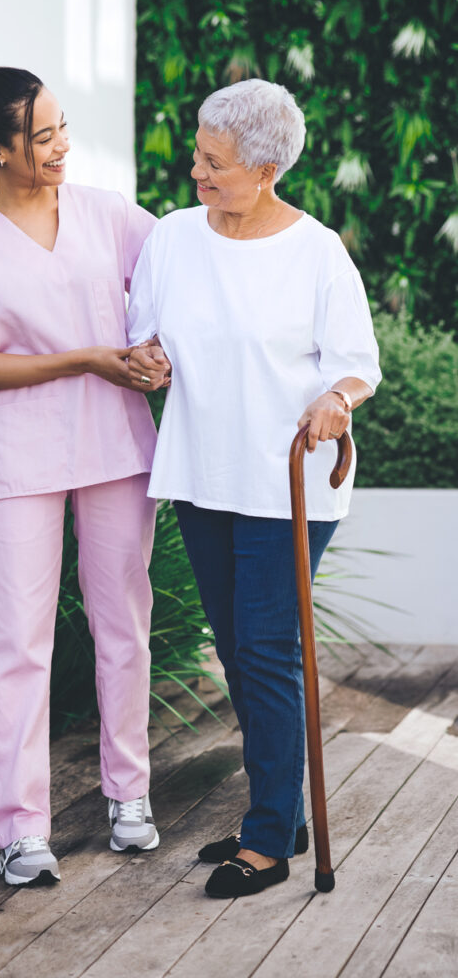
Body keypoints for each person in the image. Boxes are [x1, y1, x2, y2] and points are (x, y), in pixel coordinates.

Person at [127, 78, 381, 899]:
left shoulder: (315, 253)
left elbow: (356, 364)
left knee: (266, 651)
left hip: (288, 479)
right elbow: (146, 336)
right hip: (206, 473)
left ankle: (268, 837)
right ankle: (282, 809)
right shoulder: (171, 238)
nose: (196, 174)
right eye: (198, 156)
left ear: (266, 168)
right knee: (239, 650)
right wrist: (148, 362)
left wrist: (334, 400)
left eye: (215, 164)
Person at [0, 59, 162, 887]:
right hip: (23, 460)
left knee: (122, 629)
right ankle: (22, 827)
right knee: (15, 645)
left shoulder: (112, 218)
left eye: (61, 127)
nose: (61, 145)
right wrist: (87, 358)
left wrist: (153, 353)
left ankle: (129, 796)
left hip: (117, 451)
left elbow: (166, 299)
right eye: (40, 136)